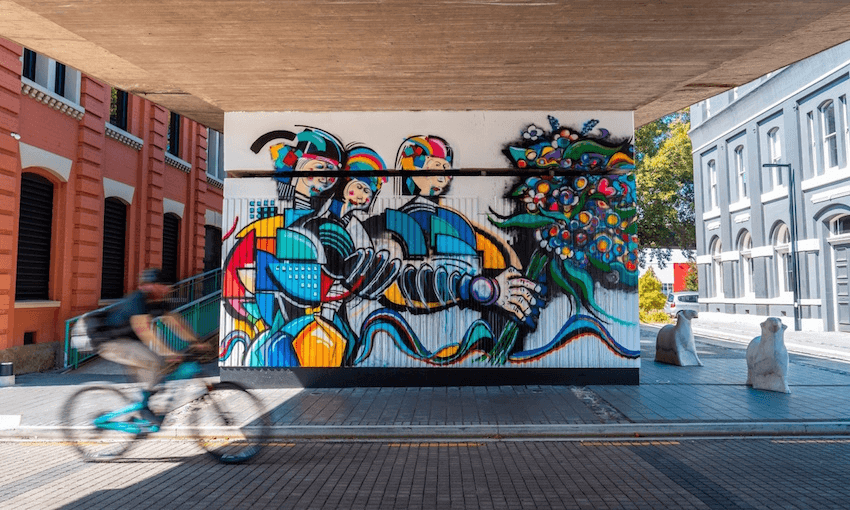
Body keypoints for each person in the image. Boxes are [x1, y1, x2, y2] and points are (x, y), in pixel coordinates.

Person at [98, 268, 202, 424]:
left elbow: (175, 323)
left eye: (168, 286)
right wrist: (169, 352)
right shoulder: (137, 300)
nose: (168, 289)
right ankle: (144, 411)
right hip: (113, 342)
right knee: (156, 361)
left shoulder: (158, 301)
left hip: (129, 344)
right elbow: (145, 331)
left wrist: (196, 342)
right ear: (152, 286)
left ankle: (140, 414)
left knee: (156, 376)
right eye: (164, 285)